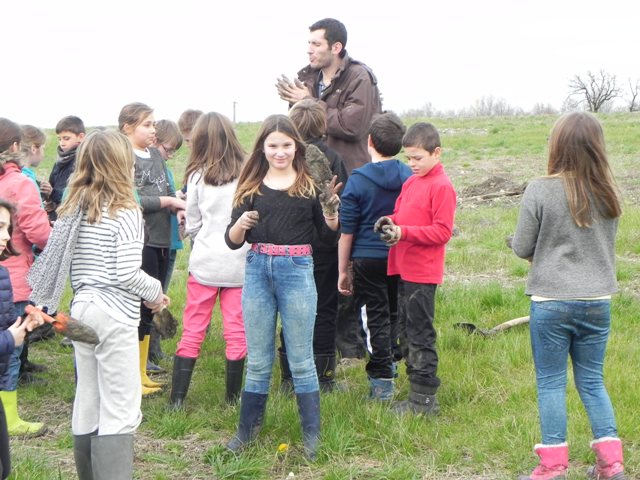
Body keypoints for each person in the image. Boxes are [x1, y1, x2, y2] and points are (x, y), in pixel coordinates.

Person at [511, 112, 627, 480]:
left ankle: (553, 466)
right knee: (592, 381)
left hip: (552, 301)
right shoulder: (609, 192)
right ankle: (611, 464)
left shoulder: (540, 189)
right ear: (598, 147)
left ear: (557, 145)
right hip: (597, 300)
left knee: (551, 382)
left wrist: (526, 246)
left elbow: (522, 246)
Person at [51, 130, 168, 480]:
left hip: (81, 309)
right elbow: (127, 273)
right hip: (114, 312)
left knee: (88, 396)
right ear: (122, 164)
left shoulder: (74, 206)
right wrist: (155, 292)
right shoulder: (125, 210)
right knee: (121, 405)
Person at [224, 114, 340, 460]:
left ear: (296, 146)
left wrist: (332, 214)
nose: (280, 152)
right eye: (273, 145)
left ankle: (312, 436)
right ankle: (245, 433)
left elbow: (326, 238)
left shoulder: (308, 186)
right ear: (262, 147)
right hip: (258, 270)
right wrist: (242, 224)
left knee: (301, 359)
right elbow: (232, 240)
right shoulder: (250, 187)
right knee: (258, 360)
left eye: (286, 145)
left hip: (297, 271)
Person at [277, 18, 383, 364]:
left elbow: (354, 125)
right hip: (306, 180)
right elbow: (300, 123)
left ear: (336, 47)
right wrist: (297, 107)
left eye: (316, 44)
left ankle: (348, 345)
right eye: (308, 44)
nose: (309, 50)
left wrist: (310, 102)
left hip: (348, 178)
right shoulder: (306, 77)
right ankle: (307, 344)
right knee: (314, 261)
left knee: (347, 258)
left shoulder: (359, 77)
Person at [376, 122, 456, 415]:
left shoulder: (442, 186)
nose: (412, 163)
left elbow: (442, 231)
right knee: (405, 330)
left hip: (423, 272)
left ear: (437, 153)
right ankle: (415, 392)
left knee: (420, 332)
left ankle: (423, 401)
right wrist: (390, 221)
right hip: (403, 267)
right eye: (408, 157)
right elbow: (402, 215)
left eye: (418, 157)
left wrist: (403, 232)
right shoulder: (411, 182)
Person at [170, 112, 249, 409]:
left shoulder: (197, 176)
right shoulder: (247, 175)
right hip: (239, 264)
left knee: (193, 329)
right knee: (236, 331)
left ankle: (177, 400)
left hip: (205, 263)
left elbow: (192, 223)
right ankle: (232, 399)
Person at [337, 112, 411, 401]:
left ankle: (382, 382)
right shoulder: (409, 177)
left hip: (367, 259)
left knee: (374, 316)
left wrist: (343, 271)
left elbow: (347, 233)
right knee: (394, 312)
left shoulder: (358, 181)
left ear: (369, 141)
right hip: (400, 254)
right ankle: (391, 362)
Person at [275, 98, 347, 393]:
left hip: (290, 245)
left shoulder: (284, 157)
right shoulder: (333, 157)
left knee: (289, 310)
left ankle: (288, 378)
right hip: (325, 247)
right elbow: (342, 201)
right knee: (325, 310)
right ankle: (325, 378)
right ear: (322, 124)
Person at [119, 103, 185, 396]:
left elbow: (167, 192)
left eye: (153, 124)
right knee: (137, 307)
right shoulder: (123, 157)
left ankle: (143, 372)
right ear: (127, 128)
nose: (153, 130)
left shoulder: (156, 156)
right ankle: (132, 374)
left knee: (151, 305)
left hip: (161, 240)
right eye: (147, 124)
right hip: (140, 241)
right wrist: (168, 203)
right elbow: (132, 199)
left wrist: (178, 209)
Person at [0, 118, 50, 436]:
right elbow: (37, 230)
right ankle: (10, 421)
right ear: (16, 146)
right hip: (13, 280)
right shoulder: (20, 183)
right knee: (11, 351)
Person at [0, 198, 44, 479]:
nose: (6, 236)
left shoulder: (2, 272)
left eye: (8, 228)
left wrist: (24, 325)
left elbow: (5, 326)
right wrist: (8, 339)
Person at [148, 120, 184, 373]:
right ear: (155, 141)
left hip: (170, 241)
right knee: (151, 298)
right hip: (154, 241)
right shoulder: (147, 170)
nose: (169, 155)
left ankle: (155, 349)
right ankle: (148, 352)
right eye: (167, 149)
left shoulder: (165, 169)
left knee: (161, 296)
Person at [44, 115, 85, 222]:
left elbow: (77, 193)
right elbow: (52, 184)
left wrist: (52, 193)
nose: (62, 143)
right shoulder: (59, 161)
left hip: (71, 217)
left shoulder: (83, 161)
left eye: (66, 138)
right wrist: (49, 199)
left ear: (81, 137)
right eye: (59, 139)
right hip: (57, 216)